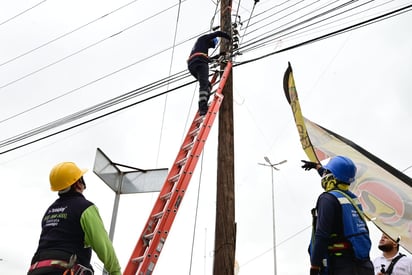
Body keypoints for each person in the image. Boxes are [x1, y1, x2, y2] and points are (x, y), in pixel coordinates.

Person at [28, 162, 121, 275]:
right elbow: (103, 245)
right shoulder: (85, 207)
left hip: (36, 270)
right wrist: (115, 271)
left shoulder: (50, 210)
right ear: (78, 183)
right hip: (65, 270)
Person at [301, 156, 374, 275]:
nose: (324, 174)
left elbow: (321, 235)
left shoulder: (328, 199)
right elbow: (339, 176)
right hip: (362, 265)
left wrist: (314, 266)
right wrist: (317, 167)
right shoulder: (351, 199)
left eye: (326, 171)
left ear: (332, 175)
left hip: (340, 266)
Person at [187, 30, 231, 116]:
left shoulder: (200, 44)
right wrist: (228, 37)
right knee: (204, 85)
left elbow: (207, 58)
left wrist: (219, 56)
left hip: (191, 65)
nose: (211, 47)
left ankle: (204, 103)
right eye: (212, 45)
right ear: (211, 40)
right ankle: (203, 108)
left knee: (207, 84)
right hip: (200, 62)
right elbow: (218, 33)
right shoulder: (206, 37)